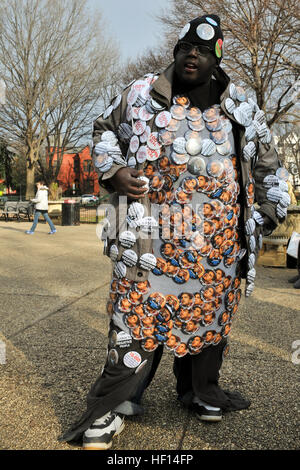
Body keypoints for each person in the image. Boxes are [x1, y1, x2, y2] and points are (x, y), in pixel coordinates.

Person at [59, 14, 287, 450]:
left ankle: (200, 390)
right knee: (135, 321)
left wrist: (260, 220)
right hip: (152, 241)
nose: (192, 56)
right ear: (176, 51)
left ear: (217, 56)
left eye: (202, 50)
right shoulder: (142, 93)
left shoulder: (240, 105)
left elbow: (269, 168)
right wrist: (116, 170)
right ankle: (114, 403)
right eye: (186, 48)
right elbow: (104, 130)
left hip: (217, 249)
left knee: (209, 323)